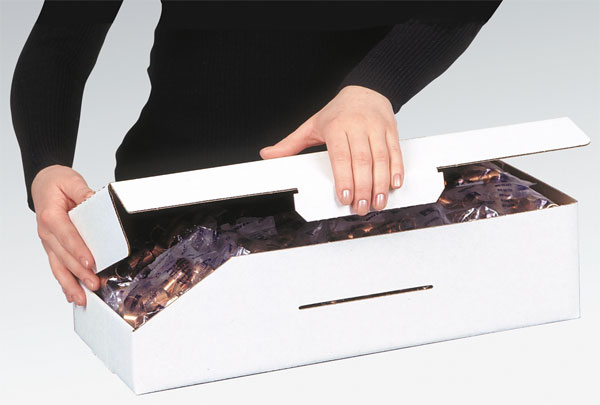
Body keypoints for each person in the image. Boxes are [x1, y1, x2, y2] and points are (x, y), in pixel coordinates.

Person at [10, 0, 502, 306]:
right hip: (165, 211)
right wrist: (45, 164)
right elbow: (61, 37)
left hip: (337, 206)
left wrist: (376, 86)